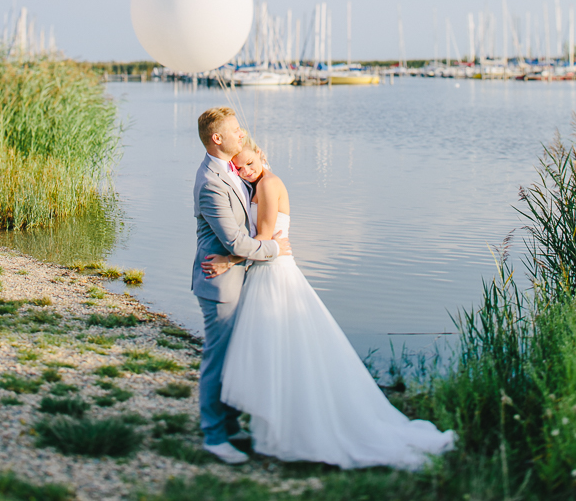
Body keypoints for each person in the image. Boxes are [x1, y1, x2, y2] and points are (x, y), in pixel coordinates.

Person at [203, 137, 456, 470]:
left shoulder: (267, 185)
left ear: (262, 155)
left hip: (273, 272)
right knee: (280, 350)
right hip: (267, 269)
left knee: (280, 349)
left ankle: (287, 428)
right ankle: (276, 426)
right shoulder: (260, 184)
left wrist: (227, 260)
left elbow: (264, 237)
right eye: (239, 167)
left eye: (250, 163)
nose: (246, 171)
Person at [191, 107, 292, 465]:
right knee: (218, 360)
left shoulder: (237, 171)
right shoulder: (210, 183)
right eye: (234, 129)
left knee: (237, 357)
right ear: (217, 138)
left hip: (241, 276)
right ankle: (215, 436)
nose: (241, 133)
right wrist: (275, 248)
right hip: (219, 283)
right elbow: (235, 242)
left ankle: (231, 424)